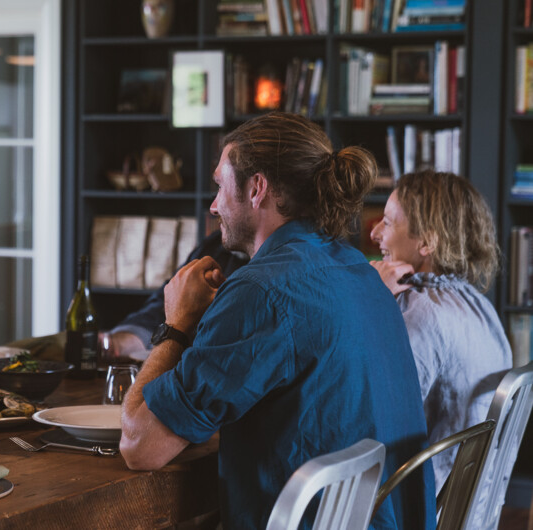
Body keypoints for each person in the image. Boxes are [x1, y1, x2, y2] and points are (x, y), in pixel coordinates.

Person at [119, 112, 434, 529]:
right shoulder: (359, 270)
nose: (213, 206)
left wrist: (177, 325)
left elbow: (139, 446)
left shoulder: (260, 291)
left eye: (219, 185)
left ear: (257, 188)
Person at [370, 170, 511, 494]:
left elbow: (371, 416)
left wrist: (372, 300)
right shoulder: (479, 305)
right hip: (471, 504)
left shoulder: (419, 313)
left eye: (388, 222)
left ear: (427, 242)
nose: (375, 232)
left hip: (420, 505)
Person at [108, 229, 248, 360]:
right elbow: (165, 301)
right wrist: (123, 340)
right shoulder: (218, 242)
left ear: (256, 201)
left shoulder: (263, 274)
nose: (214, 208)